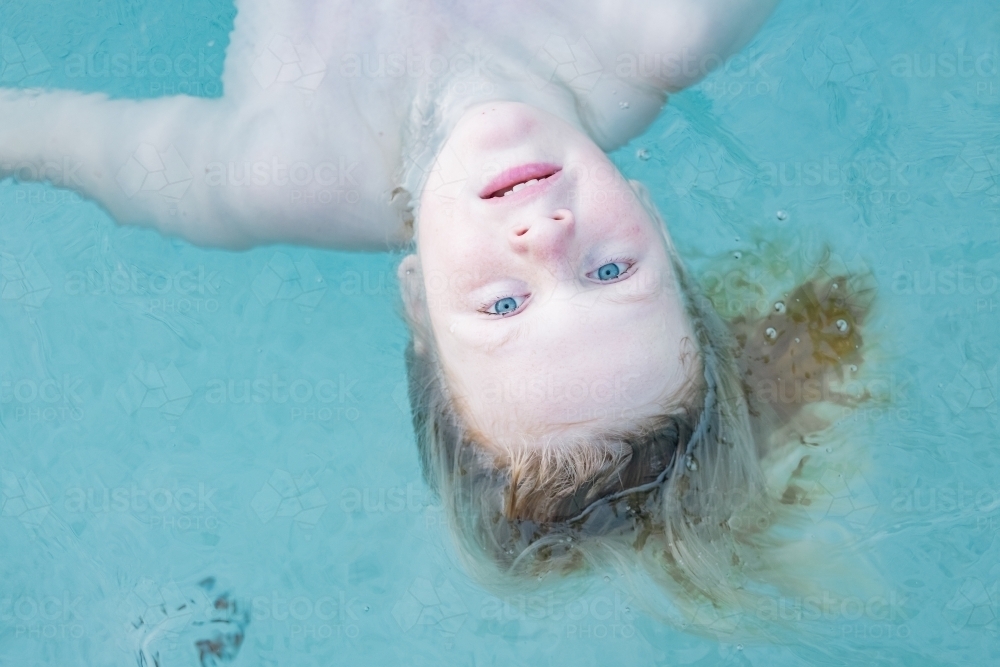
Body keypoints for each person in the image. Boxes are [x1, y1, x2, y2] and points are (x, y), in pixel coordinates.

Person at [2, 0, 880, 632]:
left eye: (505, 304)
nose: (543, 237)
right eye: (611, 269)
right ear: (652, 219)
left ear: (418, 299)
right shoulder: (664, 28)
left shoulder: (264, 178)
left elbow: (36, 134)